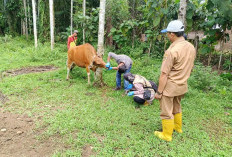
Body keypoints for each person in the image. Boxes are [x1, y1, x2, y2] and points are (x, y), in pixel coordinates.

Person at [154, 20, 196, 142]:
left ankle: (167, 135)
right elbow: (190, 67)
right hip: (182, 85)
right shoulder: (191, 47)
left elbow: (164, 74)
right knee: (176, 106)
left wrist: (159, 92)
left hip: (170, 86)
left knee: (166, 110)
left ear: (172, 34)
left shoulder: (172, 51)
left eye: (167, 33)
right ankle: (177, 128)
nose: (167, 35)